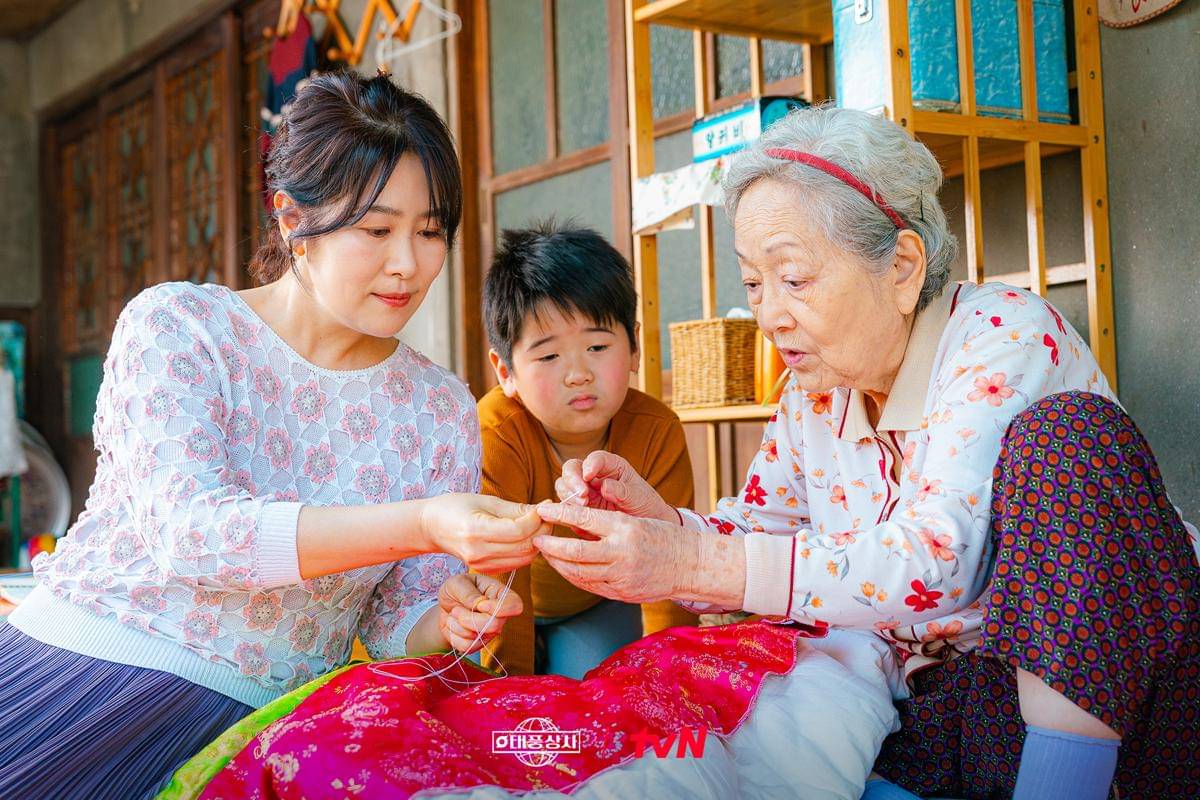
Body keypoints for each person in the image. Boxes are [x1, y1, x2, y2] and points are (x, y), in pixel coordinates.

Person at [543, 106, 1200, 800]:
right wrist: (666, 531)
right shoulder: (816, 388)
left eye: (793, 278)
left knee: (1071, 438)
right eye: (754, 284)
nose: (770, 314)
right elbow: (763, 535)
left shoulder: (1003, 333)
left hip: (1129, 698)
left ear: (904, 266)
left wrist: (701, 561)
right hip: (957, 704)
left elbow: (937, 560)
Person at [0, 69, 536, 800]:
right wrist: (421, 522)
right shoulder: (182, 328)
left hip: (260, 735)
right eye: (376, 230)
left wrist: (447, 618)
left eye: (431, 230)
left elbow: (389, 630)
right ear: (290, 220)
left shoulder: (440, 407)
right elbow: (196, 536)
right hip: (78, 673)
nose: (408, 263)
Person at [476, 222, 698, 678]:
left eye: (597, 346)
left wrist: (671, 685)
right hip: (503, 601)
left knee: (610, 685)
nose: (578, 374)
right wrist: (507, 687)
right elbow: (497, 576)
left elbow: (668, 569)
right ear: (506, 370)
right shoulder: (495, 430)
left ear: (634, 347)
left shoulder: (658, 431)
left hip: (595, 603)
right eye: (548, 356)